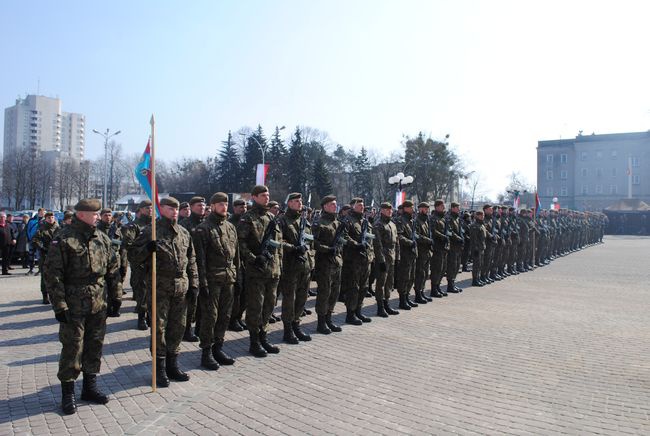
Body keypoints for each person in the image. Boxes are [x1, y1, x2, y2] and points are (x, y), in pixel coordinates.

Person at [44, 198, 122, 415]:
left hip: (98, 301)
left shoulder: (102, 238)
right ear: (81, 214)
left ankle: (90, 387)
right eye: (94, 213)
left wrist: (116, 297)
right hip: (73, 303)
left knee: (94, 344)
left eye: (98, 214)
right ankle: (67, 393)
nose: (98, 216)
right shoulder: (63, 239)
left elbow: (113, 269)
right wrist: (59, 305)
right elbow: (53, 275)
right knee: (72, 347)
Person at [130, 197, 199, 387]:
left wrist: (194, 283)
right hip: (159, 287)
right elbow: (133, 257)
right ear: (162, 209)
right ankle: (159, 368)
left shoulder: (184, 233)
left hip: (180, 287)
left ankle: (172, 365)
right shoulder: (151, 231)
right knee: (159, 329)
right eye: (170, 208)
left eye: (177, 209)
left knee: (178, 327)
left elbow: (191, 260)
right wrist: (146, 249)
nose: (175, 212)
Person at [194, 192, 239, 370]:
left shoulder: (230, 227)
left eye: (226, 203)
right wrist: (202, 283)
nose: (223, 206)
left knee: (225, 315)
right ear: (211, 206)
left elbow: (237, 256)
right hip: (212, 281)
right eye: (219, 204)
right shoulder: (203, 229)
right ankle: (206, 352)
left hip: (229, 278)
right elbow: (200, 259)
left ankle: (218, 348)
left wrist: (239, 277)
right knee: (210, 317)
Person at [236, 185, 283, 357]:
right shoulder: (247, 218)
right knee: (256, 307)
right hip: (256, 271)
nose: (266, 198)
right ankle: (254, 342)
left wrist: (279, 266)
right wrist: (254, 258)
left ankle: (264, 337)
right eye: (263, 195)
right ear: (254, 197)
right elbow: (240, 244)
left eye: (268, 195)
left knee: (269, 306)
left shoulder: (272, 217)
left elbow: (278, 245)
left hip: (272, 270)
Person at [277, 192, 313, 343]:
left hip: (304, 266)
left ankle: (296, 325)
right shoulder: (282, 221)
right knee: (289, 300)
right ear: (289, 203)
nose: (300, 203)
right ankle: (287, 330)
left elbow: (310, 242)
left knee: (301, 298)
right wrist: (293, 248)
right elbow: (279, 242)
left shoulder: (304, 221)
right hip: (290, 266)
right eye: (297, 201)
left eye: (301, 201)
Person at [313, 195, 344, 334]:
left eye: (335, 204)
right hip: (324, 263)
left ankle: (329, 319)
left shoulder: (337, 222)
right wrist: (328, 249)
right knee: (324, 293)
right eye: (331, 204)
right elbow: (315, 243)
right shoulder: (319, 222)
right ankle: (321, 323)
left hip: (336, 262)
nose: (334, 206)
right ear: (325, 206)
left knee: (334, 292)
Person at [341, 197, 374, 325]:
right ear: (352, 206)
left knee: (364, 287)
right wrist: (356, 244)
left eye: (362, 205)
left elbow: (370, 238)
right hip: (353, 260)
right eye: (359, 205)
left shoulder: (365, 221)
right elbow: (344, 236)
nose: (362, 207)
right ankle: (350, 314)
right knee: (353, 288)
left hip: (365, 259)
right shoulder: (347, 220)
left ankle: (358, 311)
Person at [122, 200, 153, 330]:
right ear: (140, 210)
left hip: (154, 265)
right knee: (142, 292)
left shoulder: (155, 225)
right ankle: (141, 317)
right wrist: (145, 249)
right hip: (140, 265)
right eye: (147, 208)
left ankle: (150, 316)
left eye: (151, 208)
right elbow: (129, 246)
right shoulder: (132, 226)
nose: (150, 210)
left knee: (153, 292)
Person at [179, 196, 206, 342]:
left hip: (206, 267)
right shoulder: (185, 225)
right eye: (198, 205)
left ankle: (200, 327)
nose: (201, 207)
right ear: (191, 206)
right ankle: (187, 328)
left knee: (203, 300)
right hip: (190, 268)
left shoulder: (206, 224)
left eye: (203, 205)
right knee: (191, 300)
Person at [372, 202, 400, 317]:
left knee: (389, 283)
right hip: (383, 258)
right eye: (387, 209)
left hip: (392, 257)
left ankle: (386, 303)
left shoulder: (392, 224)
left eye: (391, 209)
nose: (390, 211)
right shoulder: (378, 224)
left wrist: (398, 257)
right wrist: (381, 260)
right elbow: (377, 244)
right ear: (382, 211)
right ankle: (380, 307)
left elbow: (396, 242)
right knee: (381, 283)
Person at [228, 198, 248, 332]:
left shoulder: (247, 221)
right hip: (235, 262)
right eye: (240, 207)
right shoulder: (230, 223)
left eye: (244, 206)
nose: (243, 209)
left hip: (248, 261)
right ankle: (232, 319)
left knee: (246, 293)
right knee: (236, 293)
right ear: (234, 208)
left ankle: (239, 316)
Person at [395, 200, 419, 309]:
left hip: (412, 253)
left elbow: (414, 235)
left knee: (411, 277)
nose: (413, 209)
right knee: (404, 277)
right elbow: (399, 237)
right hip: (404, 253)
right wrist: (410, 242)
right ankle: (402, 300)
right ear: (405, 208)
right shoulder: (400, 221)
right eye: (411, 207)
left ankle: (407, 297)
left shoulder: (411, 221)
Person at [32, 212, 60, 302]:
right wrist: (42, 248)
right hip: (45, 256)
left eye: (52, 217)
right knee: (45, 276)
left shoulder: (59, 229)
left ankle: (56, 295)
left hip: (58, 256)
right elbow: (35, 240)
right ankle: (45, 295)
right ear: (45, 219)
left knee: (58, 277)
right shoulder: (41, 229)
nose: (51, 219)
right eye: (48, 217)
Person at [413, 202, 433, 304]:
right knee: (420, 273)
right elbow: (416, 236)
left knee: (425, 273)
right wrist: (427, 240)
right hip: (421, 251)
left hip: (427, 251)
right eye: (425, 209)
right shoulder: (417, 221)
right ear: (420, 209)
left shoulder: (426, 221)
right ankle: (418, 294)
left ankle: (422, 292)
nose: (427, 210)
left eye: (427, 209)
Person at [445, 202, 464, 294]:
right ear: (452, 208)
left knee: (456, 265)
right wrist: (458, 238)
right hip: (452, 245)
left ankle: (453, 283)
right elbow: (449, 232)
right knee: (452, 266)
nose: (458, 209)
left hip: (458, 246)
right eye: (457, 207)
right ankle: (450, 285)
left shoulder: (457, 218)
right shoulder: (449, 218)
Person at [470, 210, 487, 286]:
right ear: (477, 216)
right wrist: (476, 248)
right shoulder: (475, 225)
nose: (482, 217)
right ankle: (474, 280)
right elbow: (474, 239)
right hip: (477, 248)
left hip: (481, 247)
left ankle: (478, 278)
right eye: (481, 215)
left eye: (483, 215)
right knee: (476, 265)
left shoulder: (482, 225)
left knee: (480, 264)